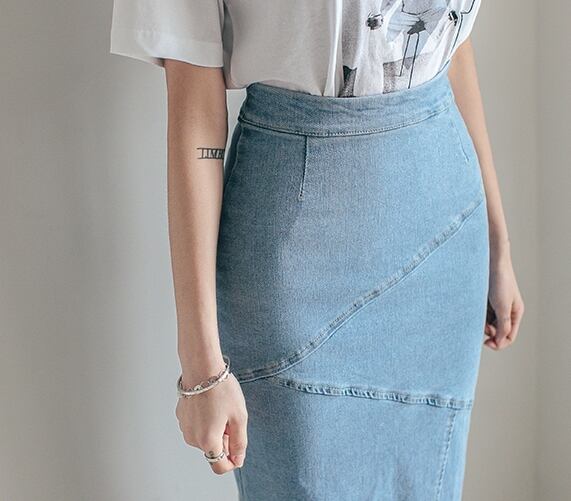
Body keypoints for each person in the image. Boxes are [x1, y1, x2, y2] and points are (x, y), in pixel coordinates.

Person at [110, 1, 525, 499]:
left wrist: (498, 244)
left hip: (444, 227)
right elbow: (194, 102)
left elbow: (451, 45)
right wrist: (201, 368)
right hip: (296, 253)